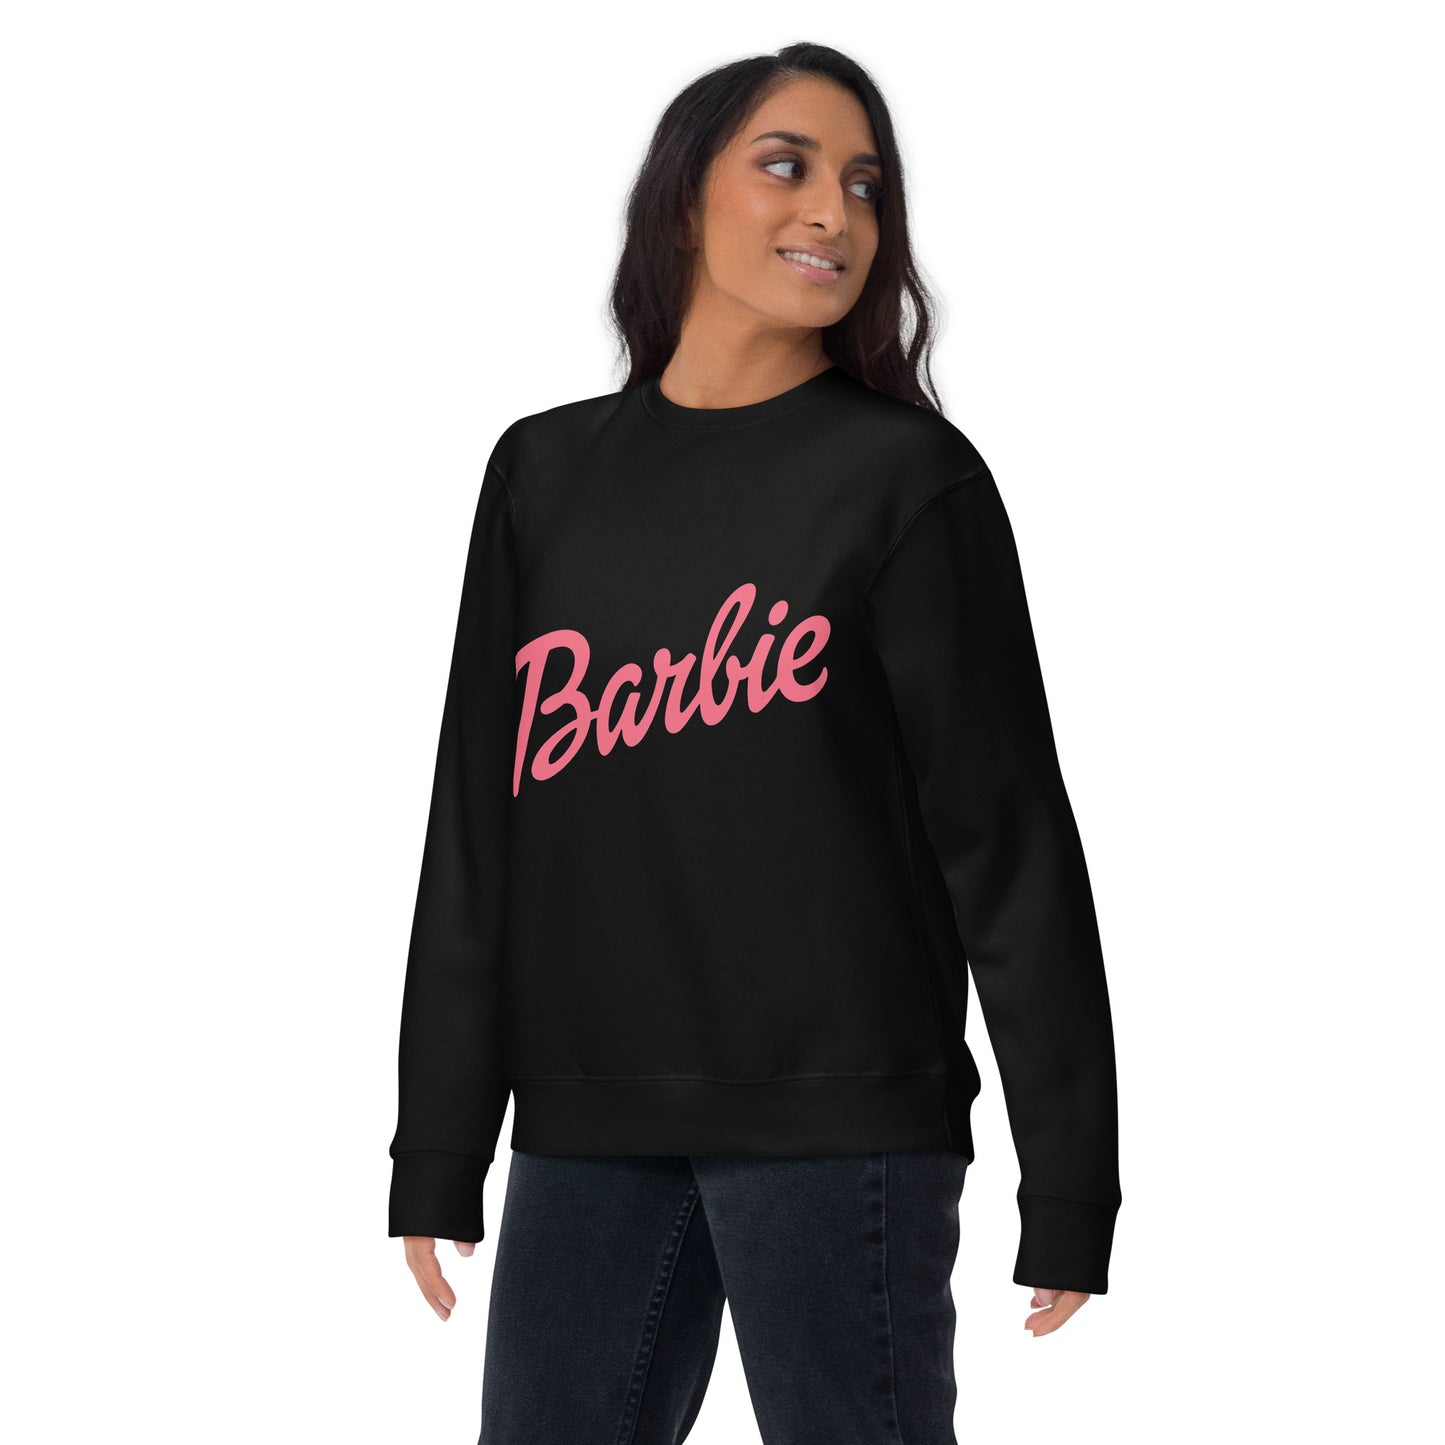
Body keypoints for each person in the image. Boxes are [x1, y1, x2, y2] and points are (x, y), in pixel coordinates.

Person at [387, 40, 1122, 1445]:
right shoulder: (543, 473)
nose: (834, 212)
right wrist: (437, 1142)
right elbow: (476, 835)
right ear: (682, 201)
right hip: (588, 1116)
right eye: (786, 167)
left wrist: (1071, 1177)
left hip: (842, 1120)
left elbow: (1008, 845)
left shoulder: (905, 480)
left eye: (865, 185)